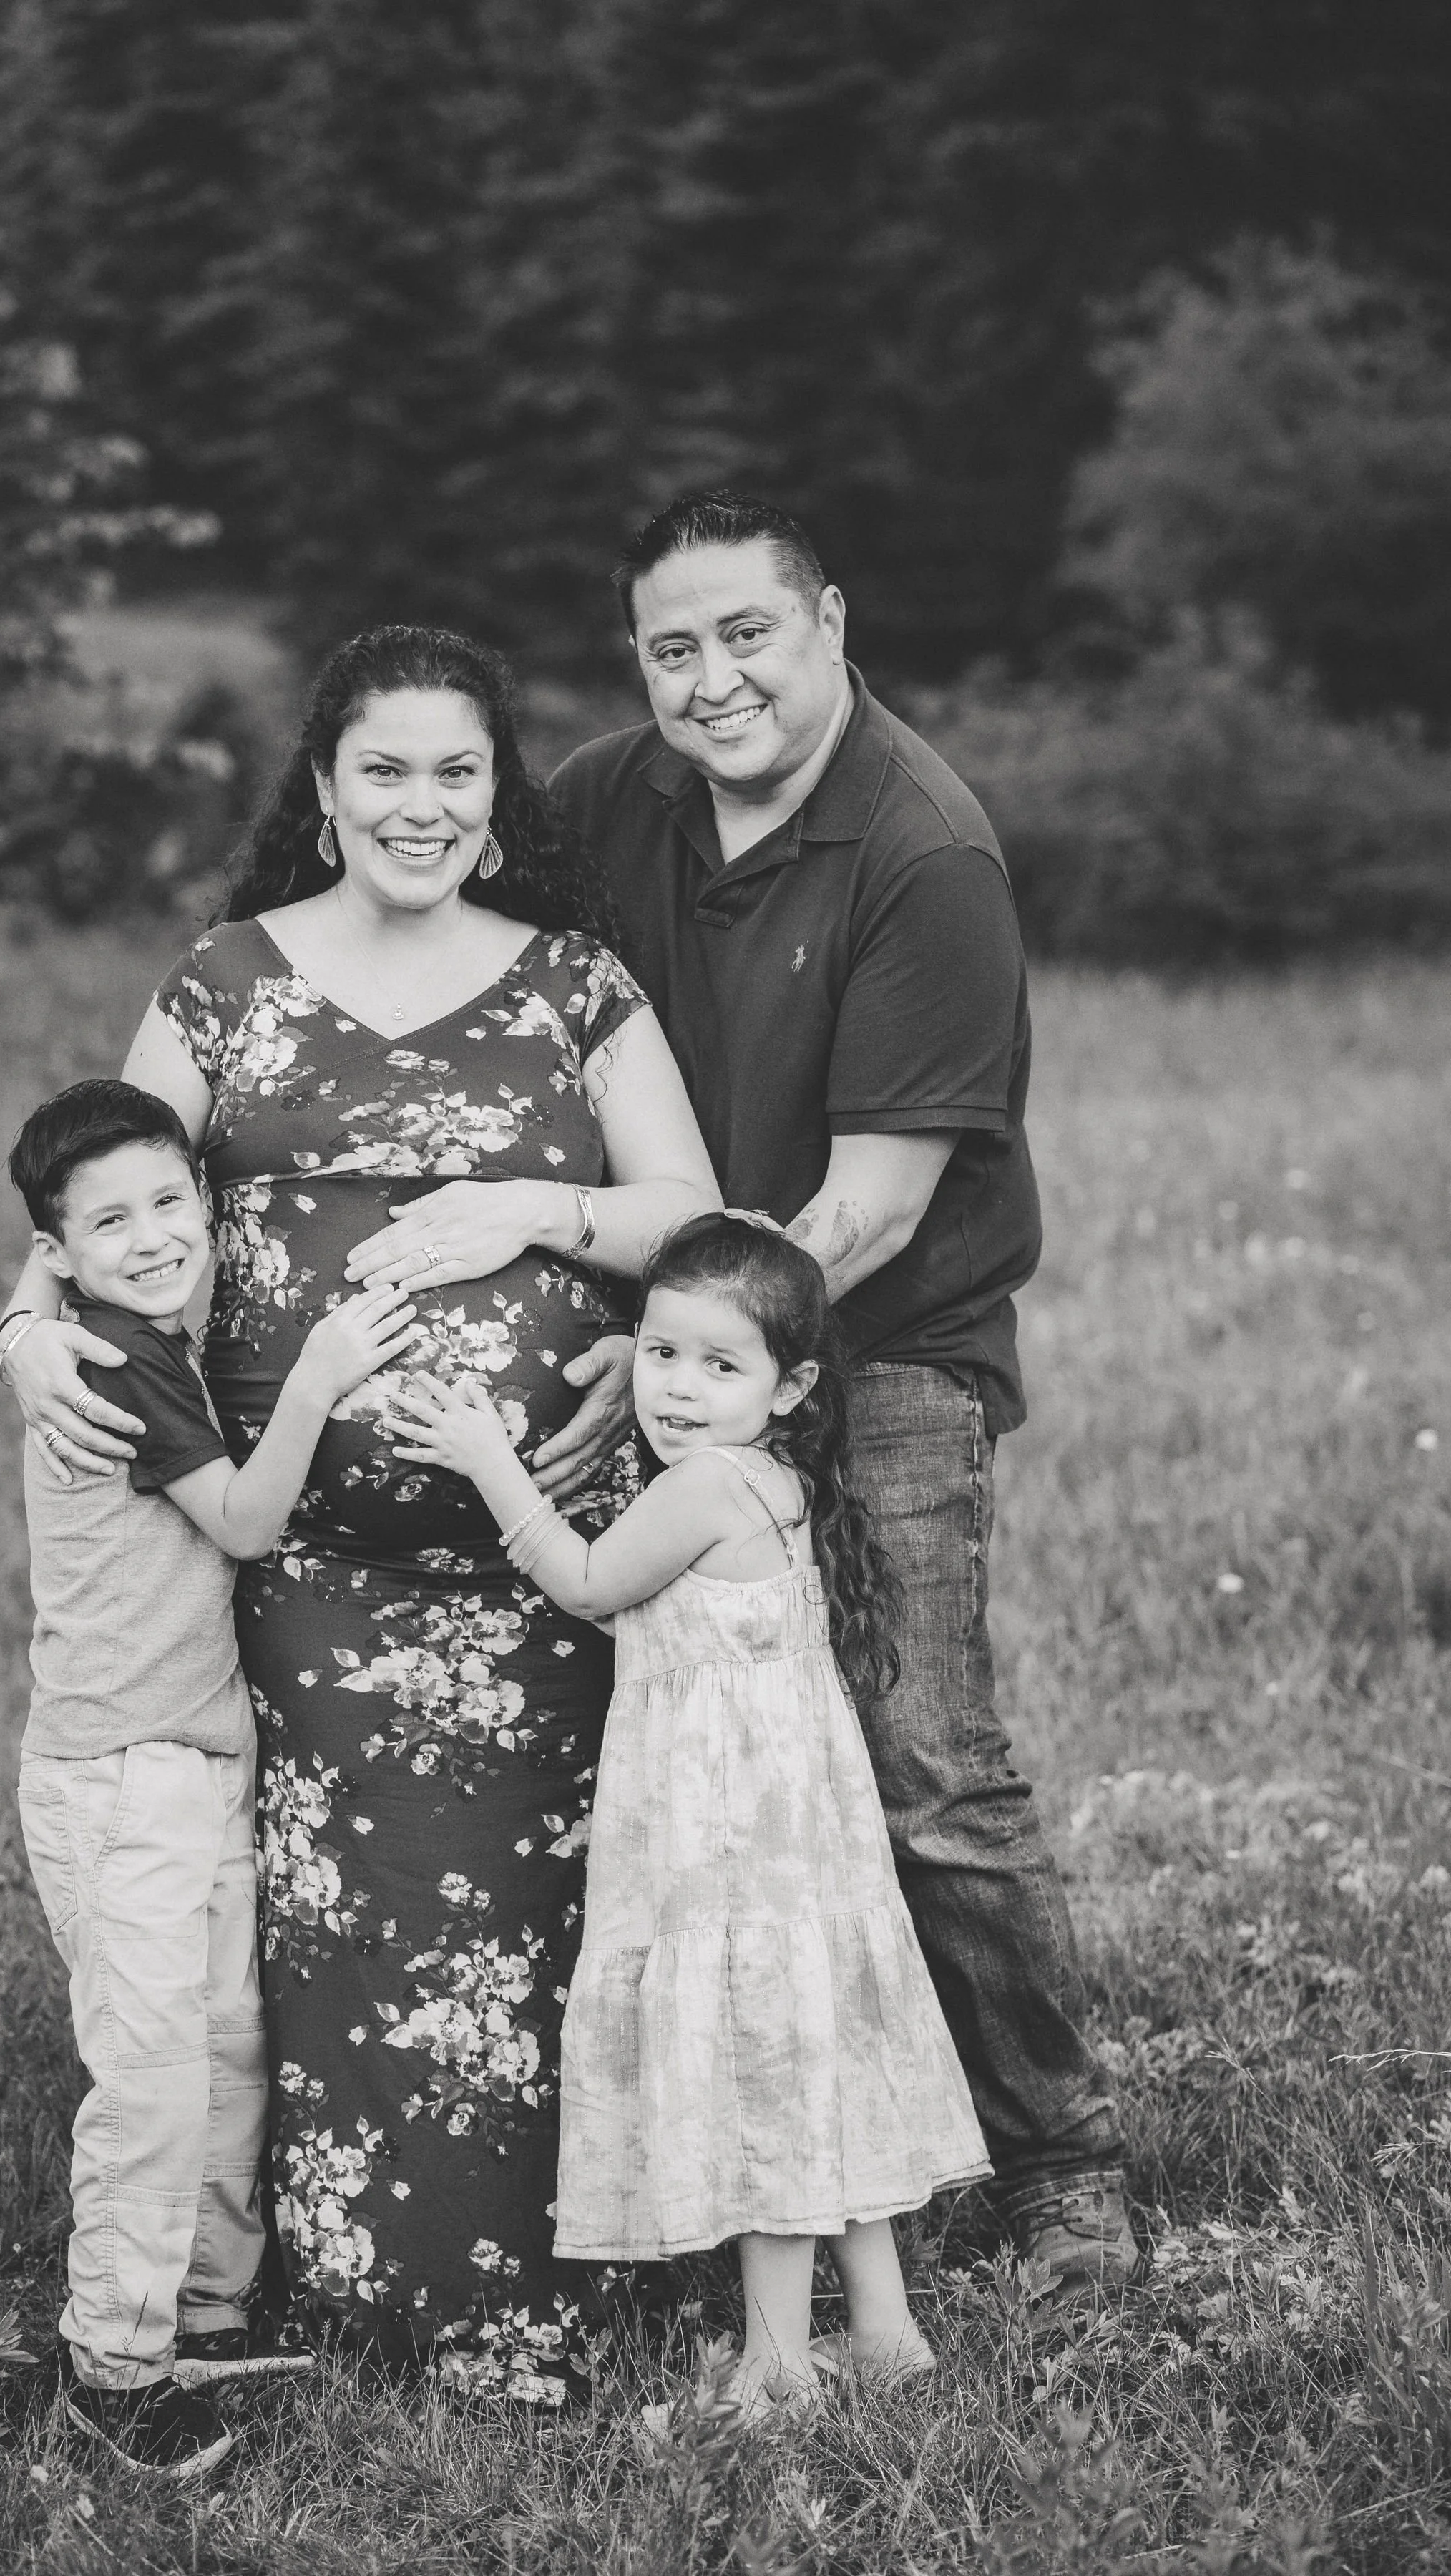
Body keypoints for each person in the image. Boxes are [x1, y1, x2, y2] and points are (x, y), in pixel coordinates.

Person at [0, 626, 721, 2401]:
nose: (420, 802)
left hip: (546, 1550)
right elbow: (94, 1188)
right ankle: (342, 2290)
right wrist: (22, 1322)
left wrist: (533, 1211)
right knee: (337, 1921)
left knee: (545, 1919)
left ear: (496, 802)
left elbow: (694, 1214)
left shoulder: (573, 984)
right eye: (383, 769)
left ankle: (579, 2280)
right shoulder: (225, 981)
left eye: (456, 771)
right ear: (323, 791)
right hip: (302, 1564)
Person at [544, 490, 1137, 2306]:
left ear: (830, 624)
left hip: (881, 1349)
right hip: (668, 1348)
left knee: (920, 1766)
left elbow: (868, 1209)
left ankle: (1057, 2166)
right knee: (667, 1759)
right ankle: (700, 2149)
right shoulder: (593, 805)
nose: (711, 680)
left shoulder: (921, 846)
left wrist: (695, 1356)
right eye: (671, 647)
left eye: (748, 635)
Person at [388, 1212, 990, 2412]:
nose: (680, 1388)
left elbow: (591, 1582)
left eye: (723, 1367)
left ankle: (774, 2373)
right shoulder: (771, 1478)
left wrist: (481, 1455)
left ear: (790, 1386)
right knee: (816, 2077)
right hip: (794, 1846)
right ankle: (885, 2333)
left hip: (732, 1847)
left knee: (761, 2080)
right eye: (661, 1353)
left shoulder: (707, 1487)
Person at [6, 1078, 419, 2479]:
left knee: (231, 2048)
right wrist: (320, 1372)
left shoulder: (146, 1343)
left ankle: (204, 2311)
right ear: (56, 1251)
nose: (149, 1235)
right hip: (122, 1773)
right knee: (155, 2081)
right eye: (107, 1220)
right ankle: (112, 2368)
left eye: (170, 1202)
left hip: (190, 1760)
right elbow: (245, 1518)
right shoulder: (114, 1364)